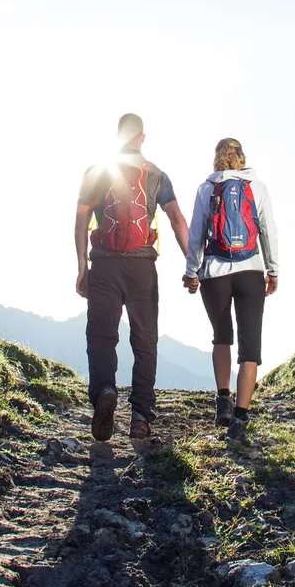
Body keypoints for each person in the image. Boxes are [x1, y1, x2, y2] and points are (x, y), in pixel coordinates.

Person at [75, 113, 189, 443]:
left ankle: (104, 393)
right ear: (141, 138)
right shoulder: (157, 175)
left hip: (105, 265)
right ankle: (140, 416)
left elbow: (81, 223)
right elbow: (177, 220)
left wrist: (82, 267)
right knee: (145, 340)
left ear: (117, 136)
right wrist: (192, 264)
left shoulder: (96, 171)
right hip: (142, 269)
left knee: (101, 335)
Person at [183, 137, 278, 440]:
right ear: (242, 158)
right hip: (251, 271)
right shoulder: (257, 188)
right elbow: (268, 231)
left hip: (216, 271)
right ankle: (241, 417)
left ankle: (223, 399)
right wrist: (273, 270)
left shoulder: (206, 188)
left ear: (216, 159)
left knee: (222, 336)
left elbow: (196, 234)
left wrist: (191, 272)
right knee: (251, 345)